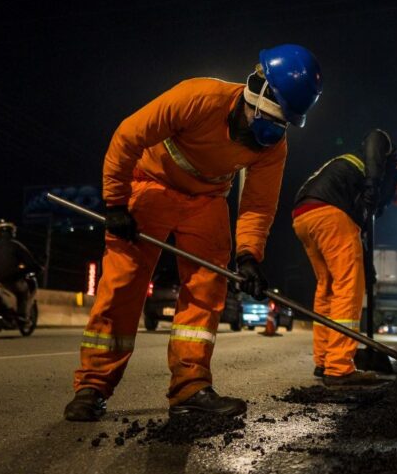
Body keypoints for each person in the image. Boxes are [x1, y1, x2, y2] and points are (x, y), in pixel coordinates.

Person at [63, 44, 322, 422]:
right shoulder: (197, 97)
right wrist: (116, 204)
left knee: (207, 285)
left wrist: (249, 255)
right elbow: (127, 137)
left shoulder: (273, 146)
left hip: (207, 199)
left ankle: (190, 387)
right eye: (267, 120)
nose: (269, 133)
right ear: (257, 88)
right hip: (151, 184)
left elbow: (257, 204)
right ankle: (92, 386)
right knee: (123, 282)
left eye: (281, 125)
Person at [292, 129, 397, 387]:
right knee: (348, 288)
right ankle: (339, 368)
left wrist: (367, 266)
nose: (392, 201)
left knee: (327, 288)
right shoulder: (385, 164)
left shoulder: (361, 191)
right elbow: (377, 137)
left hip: (304, 213)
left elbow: (361, 236)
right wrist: (372, 184)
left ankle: (324, 359)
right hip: (330, 211)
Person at [0, 220, 40, 321]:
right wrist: (38, 268)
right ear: (13, 232)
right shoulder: (16, 245)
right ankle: (21, 315)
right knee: (23, 291)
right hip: (8, 279)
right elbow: (30, 262)